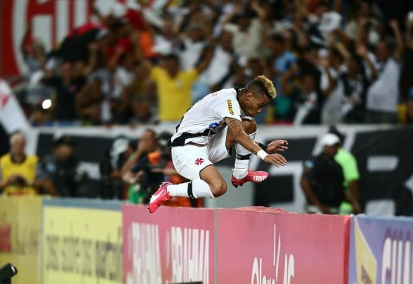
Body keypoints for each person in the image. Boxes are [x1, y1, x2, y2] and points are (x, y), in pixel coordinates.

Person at [148, 75, 288, 213]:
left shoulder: (232, 97)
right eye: (260, 105)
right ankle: (169, 190)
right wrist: (264, 155)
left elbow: (238, 134)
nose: (259, 110)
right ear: (249, 96)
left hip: (205, 146)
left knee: (248, 124)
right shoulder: (227, 101)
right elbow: (239, 135)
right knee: (218, 187)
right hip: (185, 151)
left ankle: (240, 174)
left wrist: (265, 147)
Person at [301, 133, 348, 214]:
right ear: (324, 146)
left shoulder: (337, 166)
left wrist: (354, 203)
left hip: (334, 209)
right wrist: (318, 205)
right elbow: (304, 182)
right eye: (331, 146)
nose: (334, 148)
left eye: (336, 146)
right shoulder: (314, 162)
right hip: (316, 210)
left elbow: (341, 189)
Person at [329, 127, 363, 214]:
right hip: (344, 206)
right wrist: (355, 203)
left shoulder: (321, 157)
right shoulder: (347, 158)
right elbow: (352, 182)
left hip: (325, 206)